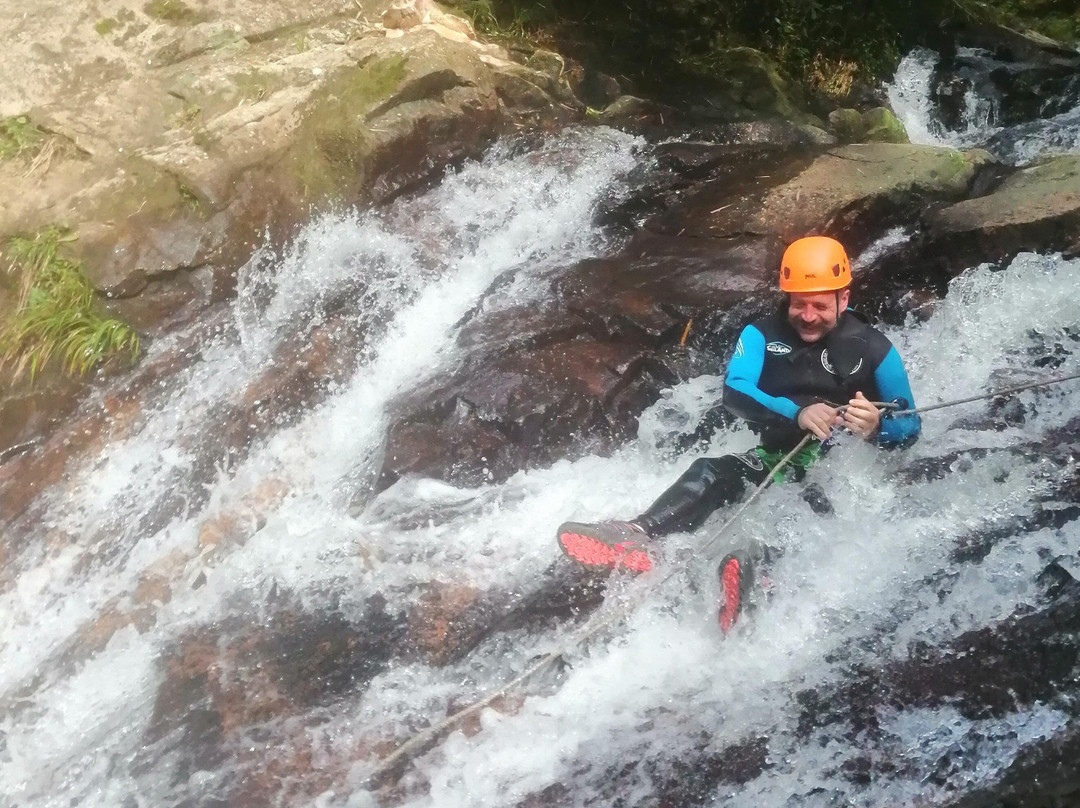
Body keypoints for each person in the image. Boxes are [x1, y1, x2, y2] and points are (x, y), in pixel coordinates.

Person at [556, 236, 921, 632]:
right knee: (711, 471)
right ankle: (638, 535)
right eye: (799, 303)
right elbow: (735, 391)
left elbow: (910, 426)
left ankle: (754, 574)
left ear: (843, 299)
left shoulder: (875, 349)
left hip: (835, 474)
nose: (808, 315)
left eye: (820, 305)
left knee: (803, 506)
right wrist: (797, 413)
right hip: (775, 457)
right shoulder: (760, 335)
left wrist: (874, 428)